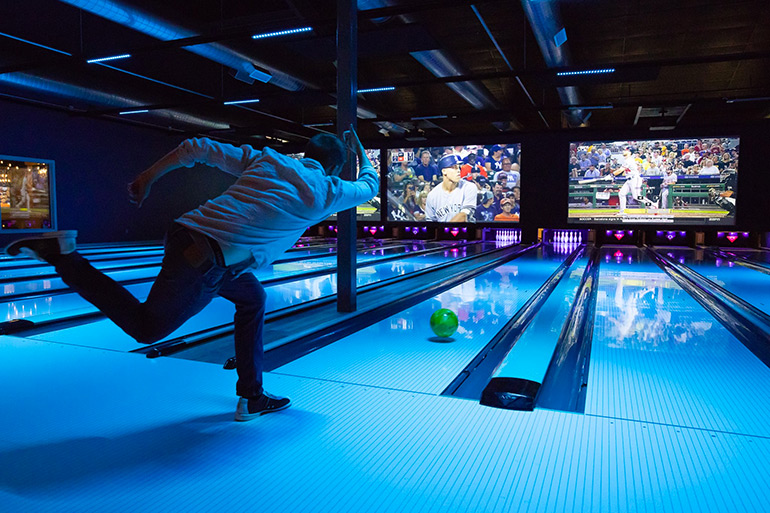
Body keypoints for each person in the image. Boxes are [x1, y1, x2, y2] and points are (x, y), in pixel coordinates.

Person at [4, 128, 378, 422]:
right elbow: (370, 185)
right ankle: (64, 257)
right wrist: (361, 156)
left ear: (306, 154)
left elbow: (196, 147)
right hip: (208, 260)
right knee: (147, 329)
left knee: (253, 297)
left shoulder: (268, 160)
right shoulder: (328, 190)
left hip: (190, 236)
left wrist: (148, 177)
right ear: (332, 168)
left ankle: (252, 396)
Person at [425, 155, 477, 222]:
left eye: (458, 167)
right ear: (444, 171)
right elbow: (430, 222)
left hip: (465, 231)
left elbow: (464, 215)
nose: (458, 171)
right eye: (454, 167)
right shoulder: (432, 195)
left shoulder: (469, 187)